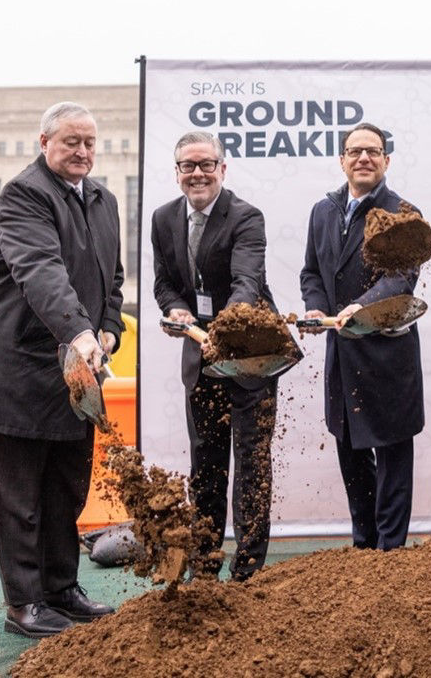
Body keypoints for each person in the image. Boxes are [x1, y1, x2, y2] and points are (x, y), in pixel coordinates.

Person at [0, 101, 123, 638]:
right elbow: (41, 273)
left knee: (65, 491)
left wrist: (109, 329)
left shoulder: (102, 199)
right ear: (44, 141)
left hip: (73, 376)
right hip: (18, 372)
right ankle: (24, 604)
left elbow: (111, 279)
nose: (81, 151)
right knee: (18, 498)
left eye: (89, 143)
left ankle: (61, 589)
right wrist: (78, 332)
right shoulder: (23, 196)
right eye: (70, 141)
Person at [152, 130, 293, 581]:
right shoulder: (162, 218)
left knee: (251, 464)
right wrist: (173, 307)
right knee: (206, 465)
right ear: (176, 173)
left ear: (222, 168)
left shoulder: (246, 217)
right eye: (188, 166)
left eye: (206, 164)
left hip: (250, 359)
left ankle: (248, 571)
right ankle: (206, 565)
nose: (198, 174)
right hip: (201, 361)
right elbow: (164, 282)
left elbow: (246, 281)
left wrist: (226, 330)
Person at [300, 122, 425, 550]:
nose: (363, 158)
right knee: (351, 450)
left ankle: (390, 552)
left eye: (373, 151)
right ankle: (364, 544)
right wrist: (317, 306)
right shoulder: (323, 210)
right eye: (355, 151)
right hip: (342, 353)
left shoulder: (403, 212)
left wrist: (363, 306)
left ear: (386, 160)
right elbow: (312, 271)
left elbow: (401, 278)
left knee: (391, 453)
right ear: (342, 160)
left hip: (388, 354)